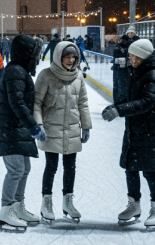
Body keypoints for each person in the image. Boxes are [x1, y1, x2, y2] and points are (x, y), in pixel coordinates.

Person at [102, 38, 155, 230]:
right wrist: (116, 105)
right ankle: (134, 205)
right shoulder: (137, 72)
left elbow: (147, 102)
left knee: (150, 170)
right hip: (137, 129)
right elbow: (132, 97)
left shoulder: (153, 75)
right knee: (131, 167)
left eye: (133, 55)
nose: (129, 57)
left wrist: (120, 111)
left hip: (152, 130)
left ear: (141, 56)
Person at [33, 41, 91, 223]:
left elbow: (82, 102)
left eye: (74, 57)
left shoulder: (79, 76)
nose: (71, 60)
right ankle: (46, 202)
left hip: (72, 127)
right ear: (59, 56)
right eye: (67, 56)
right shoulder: (46, 75)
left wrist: (86, 125)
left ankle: (68, 202)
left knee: (70, 167)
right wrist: (39, 124)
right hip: (51, 127)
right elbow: (36, 103)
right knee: (51, 166)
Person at [0, 35, 43, 230]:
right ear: (25, 54)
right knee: (16, 170)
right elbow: (17, 102)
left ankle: (18, 206)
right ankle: (6, 210)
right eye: (34, 54)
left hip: (15, 126)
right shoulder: (15, 71)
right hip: (8, 127)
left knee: (25, 169)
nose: (36, 58)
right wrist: (33, 126)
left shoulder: (19, 70)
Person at [112, 27, 139, 104]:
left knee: (130, 85)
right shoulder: (121, 42)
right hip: (120, 68)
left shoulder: (138, 42)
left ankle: (126, 100)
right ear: (127, 33)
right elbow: (115, 54)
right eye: (129, 33)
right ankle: (118, 101)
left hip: (132, 68)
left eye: (132, 33)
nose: (131, 34)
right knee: (119, 85)